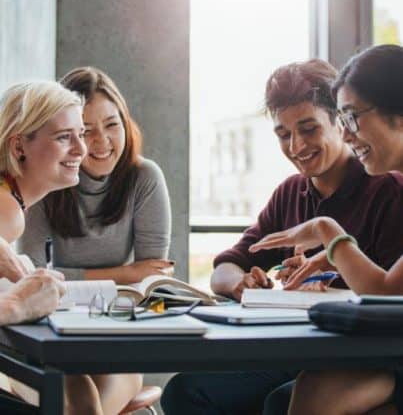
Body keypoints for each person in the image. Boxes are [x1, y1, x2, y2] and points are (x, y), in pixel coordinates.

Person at [161, 58, 403, 415]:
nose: (295, 146)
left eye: (309, 129)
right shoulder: (291, 192)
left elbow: (386, 299)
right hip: (306, 350)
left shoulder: (388, 187)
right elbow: (229, 263)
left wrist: (330, 254)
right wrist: (242, 283)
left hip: (373, 354)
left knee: (281, 402)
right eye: (283, 134)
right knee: (186, 392)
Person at [250, 44, 403, 415]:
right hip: (386, 352)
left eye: (351, 118)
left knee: (308, 394)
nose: (347, 134)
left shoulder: (387, 190)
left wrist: (327, 231)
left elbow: (386, 295)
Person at [19, 66, 172, 415]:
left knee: (88, 408)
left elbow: (152, 281)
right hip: (49, 337)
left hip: (114, 337)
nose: (101, 142)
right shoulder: (44, 180)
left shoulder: (144, 178)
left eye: (112, 125)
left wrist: (130, 276)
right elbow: (34, 280)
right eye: (85, 131)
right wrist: (123, 273)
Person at [0, 80, 89, 413]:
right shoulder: (7, 211)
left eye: (81, 133)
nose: (82, 149)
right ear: (19, 146)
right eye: (64, 137)